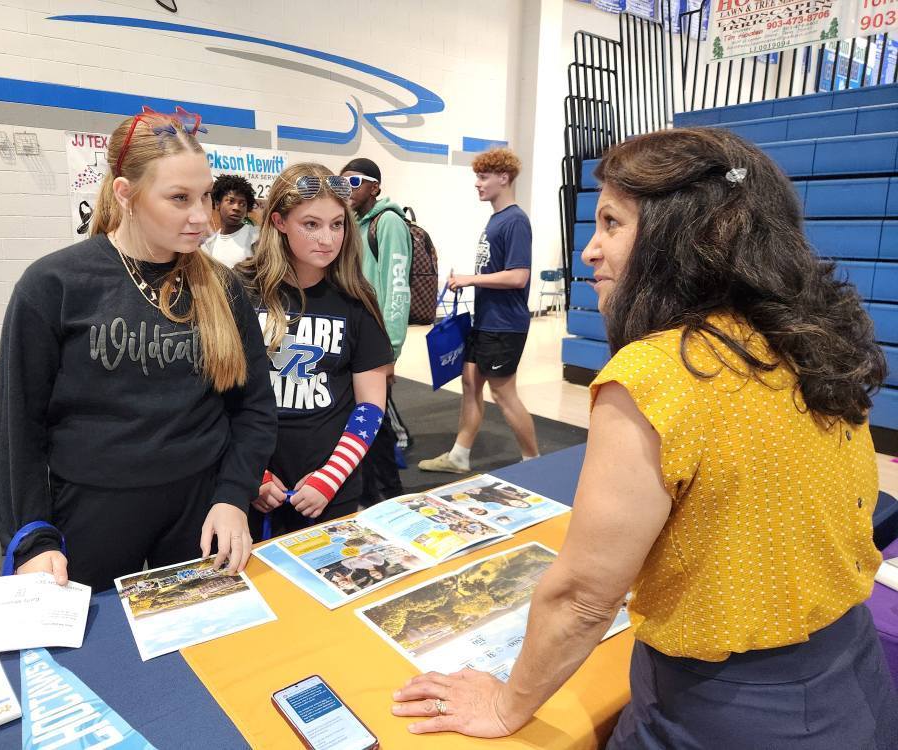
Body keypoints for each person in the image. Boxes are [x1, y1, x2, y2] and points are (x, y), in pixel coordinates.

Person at [391, 128, 898, 747]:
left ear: (684, 236)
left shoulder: (659, 372)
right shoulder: (813, 341)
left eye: (611, 223)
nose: (589, 251)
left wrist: (505, 705)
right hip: (850, 673)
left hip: (723, 711)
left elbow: (581, 598)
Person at [0, 108, 277, 593]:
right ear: (126, 194)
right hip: (91, 511)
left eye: (205, 195)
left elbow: (253, 407)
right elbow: (19, 428)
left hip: (199, 510)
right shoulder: (55, 284)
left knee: (203, 650)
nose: (202, 217)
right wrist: (32, 538)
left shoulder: (222, 288)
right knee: (96, 659)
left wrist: (232, 496)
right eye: (179, 198)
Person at [239, 163, 392, 538]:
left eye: (337, 224)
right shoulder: (240, 290)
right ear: (279, 222)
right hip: (248, 481)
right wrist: (249, 470)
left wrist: (331, 476)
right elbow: (219, 394)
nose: (327, 238)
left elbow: (371, 405)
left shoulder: (356, 299)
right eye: (311, 224)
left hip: (330, 483)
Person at [419, 147, 538, 474]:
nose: (478, 183)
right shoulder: (496, 219)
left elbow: (518, 276)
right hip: (485, 320)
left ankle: (534, 462)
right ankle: (459, 455)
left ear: (504, 177)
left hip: (505, 325)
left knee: (503, 394)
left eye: (483, 177)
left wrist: (471, 280)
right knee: (470, 382)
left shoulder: (515, 220)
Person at [340, 157, 412, 504]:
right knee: (363, 422)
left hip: (376, 345)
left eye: (354, 183)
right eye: (342, 184)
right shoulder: (351, 224)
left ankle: (389, 498)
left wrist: (390, 352)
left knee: (377, 423)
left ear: (375, 187)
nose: (347, 190)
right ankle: (369, 496)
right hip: (355, 341)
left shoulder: (389, 223)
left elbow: (397, 289)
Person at [202, 173, 259, 267]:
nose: (236, 207)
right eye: (231, 201)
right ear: (217, 204)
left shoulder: (257, 236)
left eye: (242, 204)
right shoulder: (209, 245)